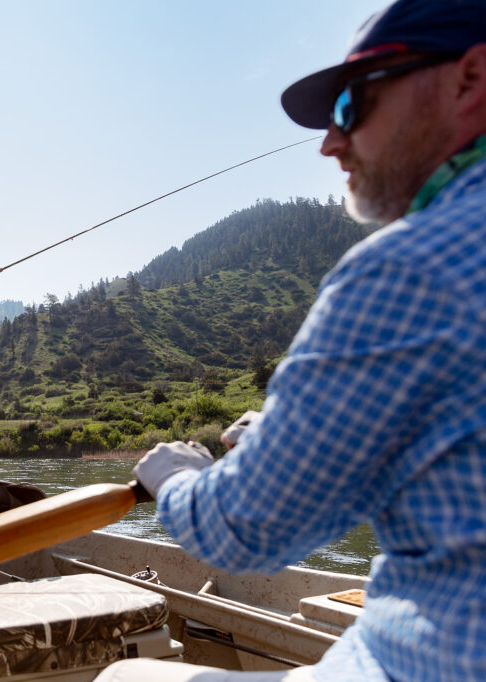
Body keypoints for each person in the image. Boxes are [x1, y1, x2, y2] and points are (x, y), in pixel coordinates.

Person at [99, 1, 486, 680]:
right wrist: (283, 442)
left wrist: (171, 474)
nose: (331, 143)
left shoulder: (407, 269)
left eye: (353, 103)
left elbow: (245, 530)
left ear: (472, 75)